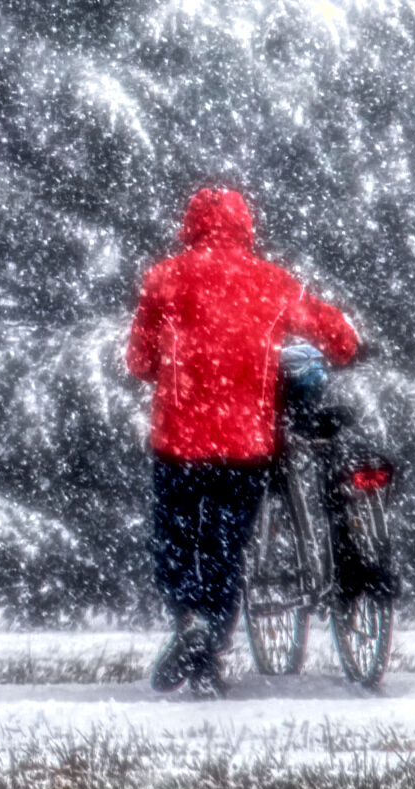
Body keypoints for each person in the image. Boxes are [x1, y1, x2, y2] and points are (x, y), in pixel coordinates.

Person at [125, 186, 358, 696]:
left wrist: (176, 367)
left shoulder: (163, 279)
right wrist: (347, 345)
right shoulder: (270, 282)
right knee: (227, 545)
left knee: (177, 537)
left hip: (178, 441)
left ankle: (189, 618)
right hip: (246, 442)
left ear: (190, 226)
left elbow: (139, 362)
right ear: (245, 227)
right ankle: (210, 636)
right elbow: (327, 326)